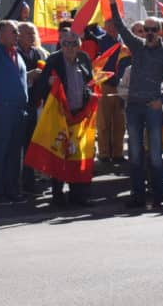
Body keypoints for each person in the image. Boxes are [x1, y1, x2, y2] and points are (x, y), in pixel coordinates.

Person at [108, 0, 163, 209]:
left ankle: (159, 197)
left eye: (153, 29)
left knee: (156, 155)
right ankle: (137, 196)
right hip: (134, 107)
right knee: (135, 154)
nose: (148, 32)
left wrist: (161, 100)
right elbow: (120, 26)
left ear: (161, 31)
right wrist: (112, 3)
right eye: (146, 29)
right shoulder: (136, 46)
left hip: (153, 107)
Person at [30, 29, 95, 207]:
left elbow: (90, 82)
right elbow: (40, 88)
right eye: (66, 44)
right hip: (59, 115)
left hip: (79, 114)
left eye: (74, 44)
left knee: (76, 155)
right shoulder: (54, 60)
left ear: (79, 45)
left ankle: (77, 195)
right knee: (59, 153)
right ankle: (57, 196)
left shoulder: (84, 59)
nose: (70, 48)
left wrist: (90, 95)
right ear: (61, 44)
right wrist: (49, 85)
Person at [0, 20, 30, 204]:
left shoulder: (16, 54)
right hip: (3, 108)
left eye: (17, 32)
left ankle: (11, 190)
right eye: (13, 32)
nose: (16, 35)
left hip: (19, 109)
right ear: (1, 35)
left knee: (14, 153)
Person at [17, 21, 48, 195]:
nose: (31, 36)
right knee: (19, 146)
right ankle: (19, 182)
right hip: (21, 105)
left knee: (32, 145)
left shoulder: (38, 53)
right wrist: (30, 76)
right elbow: (13, 78)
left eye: (32, 33)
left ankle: (30, 182)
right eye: (27, 33)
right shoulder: (15, 54)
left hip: (36, 103)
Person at [94, 22, 126, 164]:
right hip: (104, 86)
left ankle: (118, 154)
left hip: (121, 87)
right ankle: (104, 154)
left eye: (115, 24)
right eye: (110, 24)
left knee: (120, 123)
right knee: (104, 123)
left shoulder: (124, 42)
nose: (113, 27)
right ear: (105, 27)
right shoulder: (98, 42)